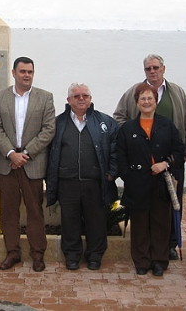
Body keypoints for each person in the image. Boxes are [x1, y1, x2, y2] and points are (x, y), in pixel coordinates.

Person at [113, 53, 186, 260]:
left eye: (156, 67)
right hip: (140, 166)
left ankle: (169, 245)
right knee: (141, 211)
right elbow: (118, 116)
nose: (152, 71)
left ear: (163, 69)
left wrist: (176, 159)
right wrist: (131, 135)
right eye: (148, 68)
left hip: (169, 164)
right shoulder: (133, 92)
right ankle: (143, 253)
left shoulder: (178, 93)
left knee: (169, 206)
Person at [46, 83, 119, 271]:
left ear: (90, 99)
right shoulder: (57, 123)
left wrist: (111, 173)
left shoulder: (105, 122)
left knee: (96, 221)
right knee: (70, 221)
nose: (81, 99)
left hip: (95, 182)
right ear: (68, 100)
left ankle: (95, 256)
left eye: (85, 95)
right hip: (67, 183)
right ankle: (72, 255)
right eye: (76, 96)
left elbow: (116, 149)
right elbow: (48, 152)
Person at [0, 56, 56, 272]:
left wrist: (25, 153)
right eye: (22, 71)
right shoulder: (1, 97)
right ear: (14, 73)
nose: (27, 75)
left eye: (30, 71)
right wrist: (11, 153)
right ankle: (13, 253)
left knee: (35, 211)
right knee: (8, 210)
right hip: (7, 164)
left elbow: (49, 129)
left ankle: (37, 254)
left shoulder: (45, 98)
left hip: (33, 163)